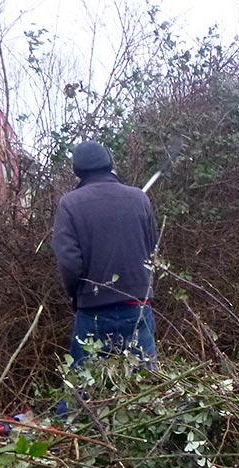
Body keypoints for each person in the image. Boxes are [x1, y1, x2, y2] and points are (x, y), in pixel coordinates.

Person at [51, 140, 159, 367]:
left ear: (77, 171)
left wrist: (77, 296)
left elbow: (69, 263)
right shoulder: (139, 198)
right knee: (146, 386)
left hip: (93, 310)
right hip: (137, 306)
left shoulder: (69, 204)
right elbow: (152, 248)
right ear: (109, 164)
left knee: (80, 390)